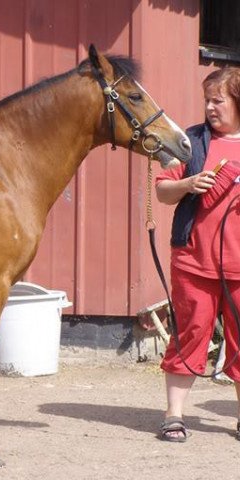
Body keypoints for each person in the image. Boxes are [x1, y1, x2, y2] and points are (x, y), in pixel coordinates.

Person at [155, 66, 240, 442]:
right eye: (206, 99)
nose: (209, 107)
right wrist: (189, 184)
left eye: (217, 100)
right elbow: (162, 191)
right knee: (189, 335)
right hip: (193, 263)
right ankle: (174, 416)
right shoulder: (190, 141)